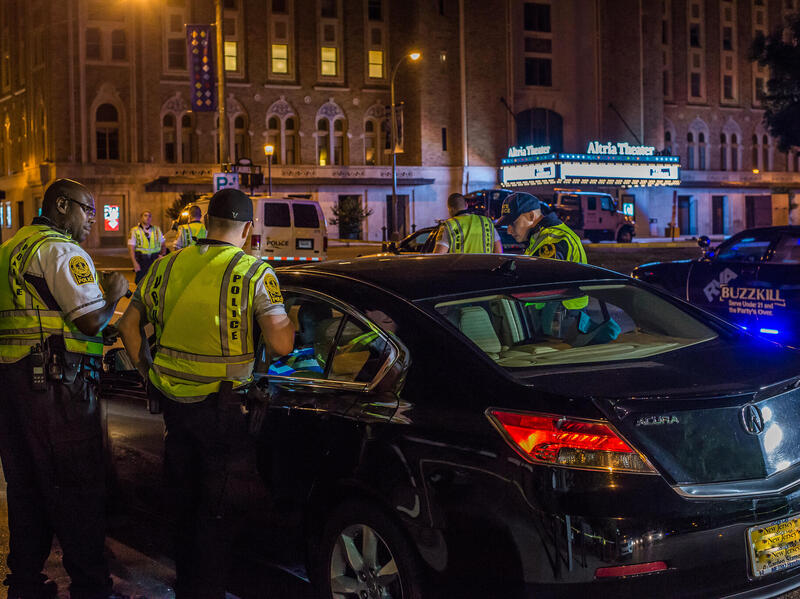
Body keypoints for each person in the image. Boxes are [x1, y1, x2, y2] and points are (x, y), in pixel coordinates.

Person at [117, 188, 295, 599]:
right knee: (217, 515)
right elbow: (282, 346)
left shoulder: (165, 266)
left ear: (207, 223)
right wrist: (291, 322)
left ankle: (187, 587)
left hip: (174, 410)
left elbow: (127, 327)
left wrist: (149, 376)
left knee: (184, 506)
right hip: (224, 412)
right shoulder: (254, 271)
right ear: (248, 229)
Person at [0, 179, 130, 599]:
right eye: (87, 209)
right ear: (61, 206)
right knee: (77, 487)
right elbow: (89, 320)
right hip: (58, 388)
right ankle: (91, 584)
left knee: (25, 489)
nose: (91, 219)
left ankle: (24, 580)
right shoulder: (61, 251)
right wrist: (113, 295)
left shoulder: (8, 250)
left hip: (11, 387)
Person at [496, 192, 591, 338]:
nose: (509, 230)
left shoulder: (552, 240)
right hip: (558, 316)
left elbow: (541, 285)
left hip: (560, 321)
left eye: (512, 223)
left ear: (531, 216)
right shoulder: (541, 237)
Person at [432, 193, 503, 254]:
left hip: (459, 269)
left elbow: (438, 256)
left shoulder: (448, 226)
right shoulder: (487, 222)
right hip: (486, 269)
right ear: (466, 205)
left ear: (450, 209)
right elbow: (499, 252)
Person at [128, 210, 165, 284]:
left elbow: (163, 244)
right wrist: (135, 263)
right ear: (141, 218)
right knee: (140, 282)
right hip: (142, 261)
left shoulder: (157, 230)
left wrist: (162, 255)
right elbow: (131, 248)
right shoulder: (134, 231)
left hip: (155, 260)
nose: (148, 217)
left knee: (155, 282)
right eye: (145, 215)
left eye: (149, 216)